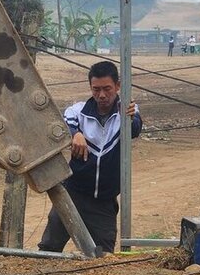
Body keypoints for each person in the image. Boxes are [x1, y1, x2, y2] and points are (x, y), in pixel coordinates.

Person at [38, 61, 142, 255]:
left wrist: (128, 116)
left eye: (107, 89)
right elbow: (64, 124)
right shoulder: (77, 112)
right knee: (48, 250)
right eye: (96, 89)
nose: (101, 95)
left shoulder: (128, 111)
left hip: (104, 201)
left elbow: (135, 128)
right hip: (72, 195)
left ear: (118, 86)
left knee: (103, 257)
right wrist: (75, 134)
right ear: (90, 88)